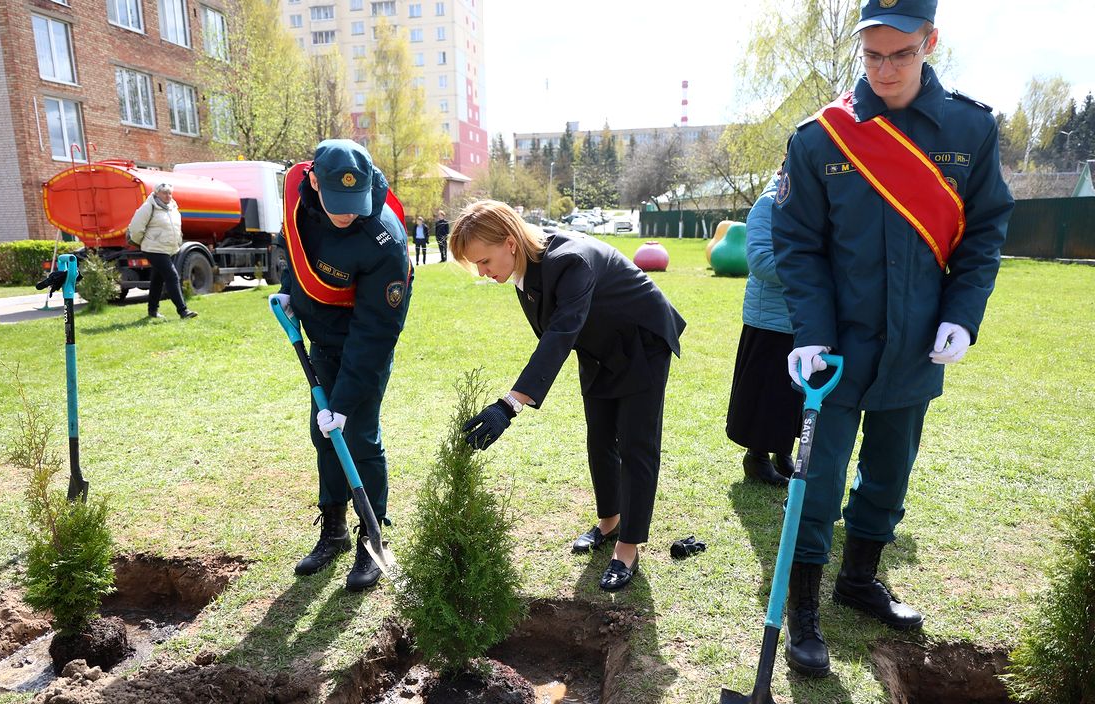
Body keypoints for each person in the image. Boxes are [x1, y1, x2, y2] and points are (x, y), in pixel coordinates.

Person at [772, 0, 1013, 677]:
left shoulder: (971, 128)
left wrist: (963, 316)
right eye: (872, 54)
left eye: (901, 54)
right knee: (816, 483)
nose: (884, 70)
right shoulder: (821, 138)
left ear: (930, 42)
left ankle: (859, 581)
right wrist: (810, 334)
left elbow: (984, 233)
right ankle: (806, 613)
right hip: (838, 348)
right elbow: (797, 244)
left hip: (917, 343)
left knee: (888, 475)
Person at [449, 200, 685, 593]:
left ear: (509, 243)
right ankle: (610, 522)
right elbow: (559, 332)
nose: (483, 273)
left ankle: (628, 548)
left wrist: (510, 405)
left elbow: (560, 334)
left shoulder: (571, 261)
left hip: (641, 341)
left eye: (484, 261)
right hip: (598, 346)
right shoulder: (525, 268)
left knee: (635, 444)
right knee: (599, 438)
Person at [271, 139, 412, 591]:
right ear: (314, 182)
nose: (348, 213)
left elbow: (376, 334)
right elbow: (294, 247)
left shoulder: (384, 240)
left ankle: (371, 540)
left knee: (357, 436)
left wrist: (346, 402)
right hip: (320, 340)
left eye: (356, 204)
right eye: (338, 204)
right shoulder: (302, 200)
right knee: (322, 434)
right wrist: (291, 290)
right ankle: (331, 528)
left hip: (362, 346)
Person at [725, 170, 802, 487]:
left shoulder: (804, 199)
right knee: (766, 393)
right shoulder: (769, 203)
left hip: (798, 316)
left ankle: (782, 451)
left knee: (791, 393)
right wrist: (810, 271)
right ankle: (755, 458)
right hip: (769, 319)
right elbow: (759, 261)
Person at [127, 183, 197, 320]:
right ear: (157, 193)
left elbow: (176, 228)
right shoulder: (149, 207)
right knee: (172, 276)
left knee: (157, 279)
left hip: (168, 249)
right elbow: (135, 228)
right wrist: (143, 242)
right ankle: (183, 311)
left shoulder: (173, 208)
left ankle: (152, 311)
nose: (168, 196)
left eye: (170, 193)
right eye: (164, 193)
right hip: (153, 249)